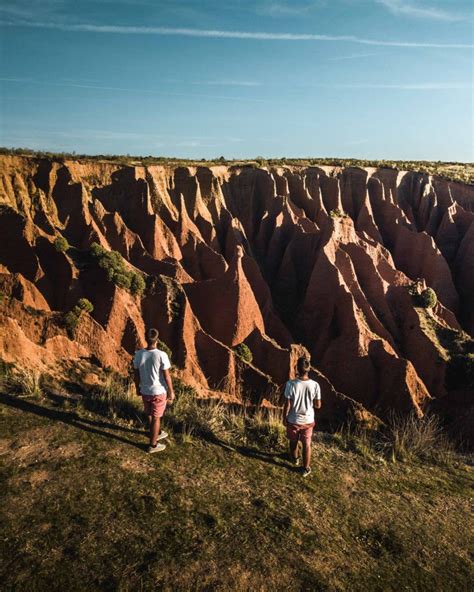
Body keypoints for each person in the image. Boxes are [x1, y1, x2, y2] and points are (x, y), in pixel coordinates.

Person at [133, 328, 175, 453]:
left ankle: (156, 432)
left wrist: (137, 388)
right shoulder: (162, 355)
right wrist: (171, 391)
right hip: (158, 391)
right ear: (157, 340)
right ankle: (153, 445)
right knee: (156, 418)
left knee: (150, 415)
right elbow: (167, 376)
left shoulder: (139, 354)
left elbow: (136, 374)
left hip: (145, 391)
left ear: (146, 339)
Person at [283, 357, 321, 477]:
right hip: (308, 420)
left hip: (293, 419)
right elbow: (318, 405)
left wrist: (285, 417)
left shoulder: (290, 384)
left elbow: (287, 403)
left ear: (297, 369)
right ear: (309, 369)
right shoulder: (315, 385)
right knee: (307, 444)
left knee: (293, 441)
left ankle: (294, 459)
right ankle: (306, 468)